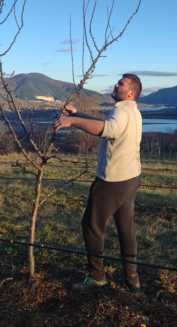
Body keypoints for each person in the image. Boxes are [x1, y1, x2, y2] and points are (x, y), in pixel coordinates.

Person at [53, 73, 143, 292]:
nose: (115, 84)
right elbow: (109, 125)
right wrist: (80, 113)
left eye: (120, 84)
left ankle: (97, 278)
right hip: (131, 178)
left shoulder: (122, 109)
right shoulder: (133, 111)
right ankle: (132, 281)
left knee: (91, 226)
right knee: (126, 229)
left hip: (111, 181)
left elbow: (108, 129)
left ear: (130, 93)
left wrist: (72, 120)